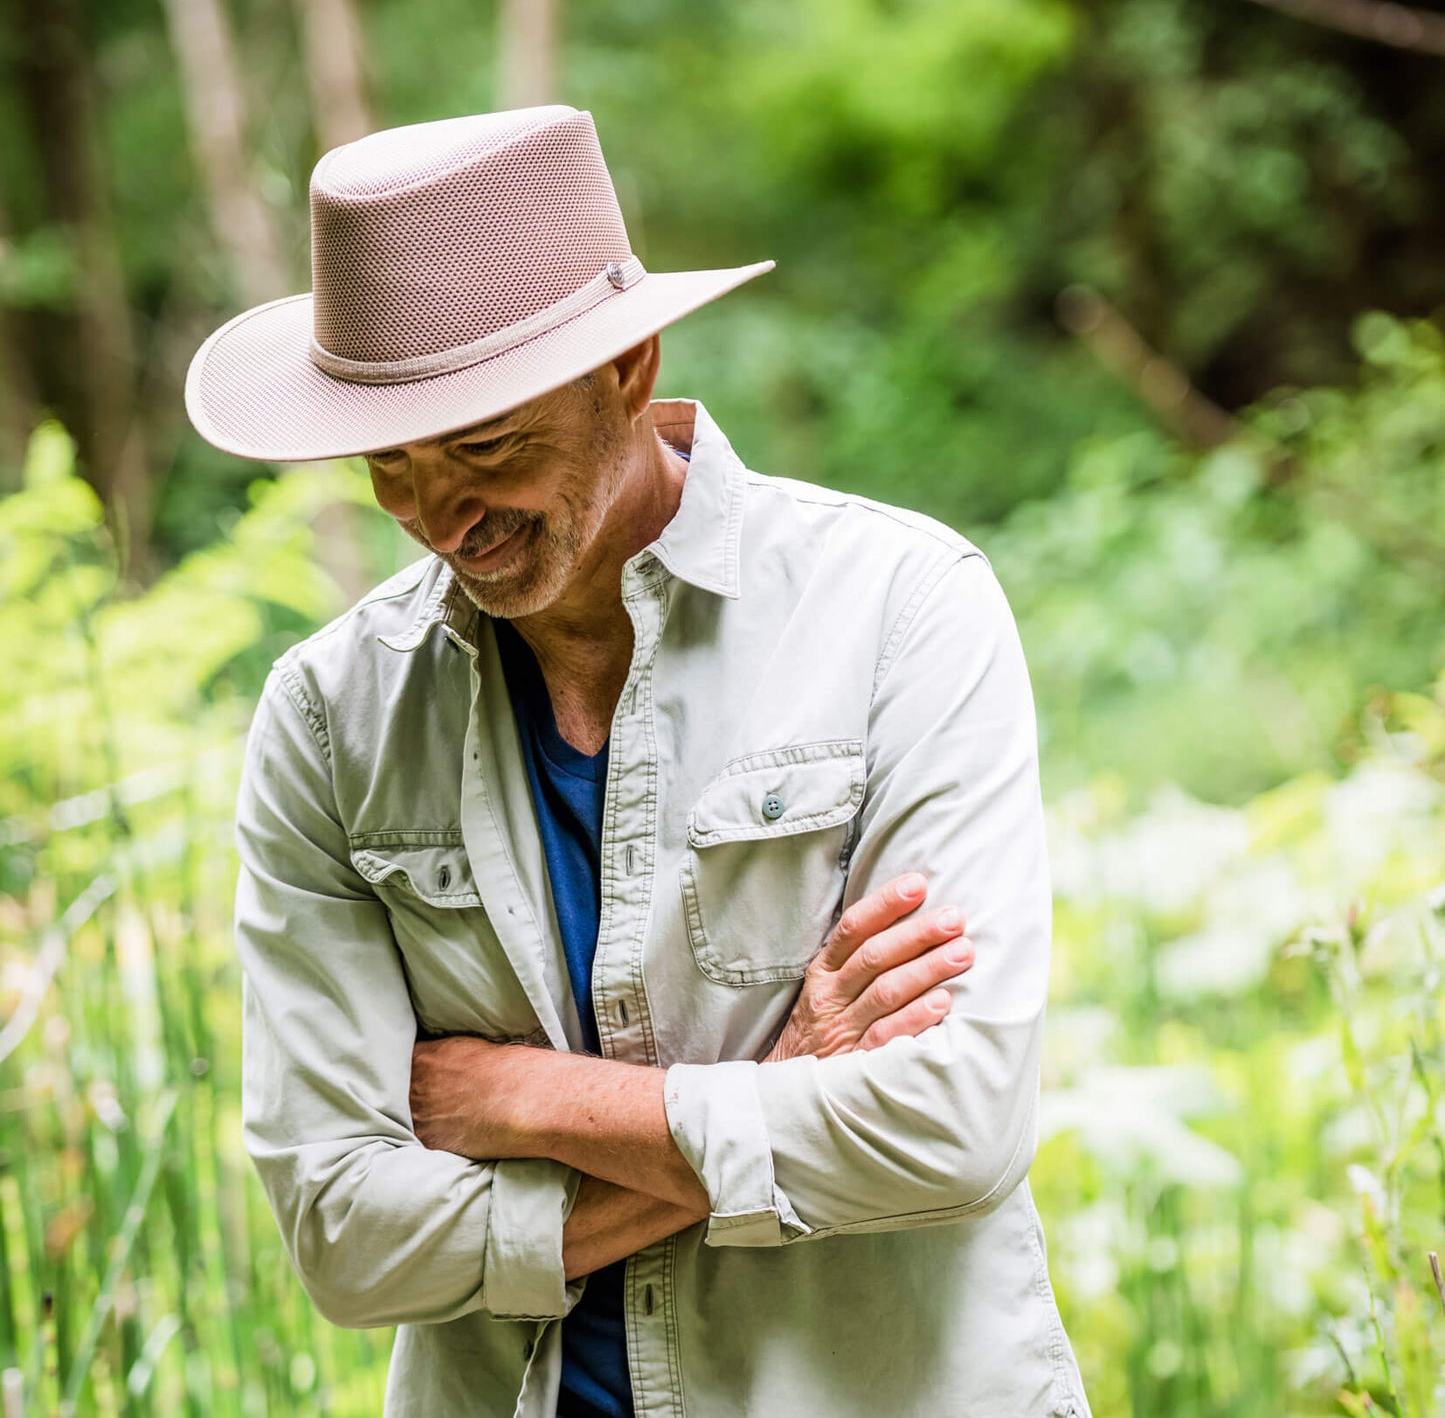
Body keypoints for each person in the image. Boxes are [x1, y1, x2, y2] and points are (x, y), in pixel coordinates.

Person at [185, 105, 1091, 1417]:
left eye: (486, 444)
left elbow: (952, 1128)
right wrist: (770, 1101)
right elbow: (342, 1232)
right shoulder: (327, 717)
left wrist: (527, 1096)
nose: (438, 512)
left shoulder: (902, 605)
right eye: (389, 459)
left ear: (628, 366)